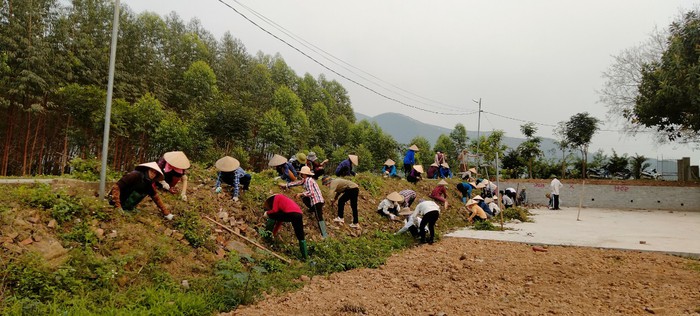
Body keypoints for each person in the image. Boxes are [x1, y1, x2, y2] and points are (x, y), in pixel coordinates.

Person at [109, 162, 174, 220]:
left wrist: (166, 212)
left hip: (127, 206)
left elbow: (156, 198)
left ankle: (128, 207)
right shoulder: (134, 175)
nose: (153, 174)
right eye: (151, 171)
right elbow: (116, 187)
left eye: (155, 173)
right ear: (146, 170)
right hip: (114, 201)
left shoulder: (148, 184)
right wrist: (117, 205)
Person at [281, 166, 327, 238]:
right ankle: (311, 210)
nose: (301, 175)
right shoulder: (305, 180)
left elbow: (311, 192)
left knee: (319, 217)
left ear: (304, 174)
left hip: (316, 201)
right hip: (317, 201)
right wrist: (286, 185)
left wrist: (301, 194)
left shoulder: (309, 181)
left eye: (302, 174)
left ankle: (324, 235)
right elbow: (297, 183)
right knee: (305, 199)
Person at [262, 194, 308, 260]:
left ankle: (266, 236)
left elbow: (274, 210)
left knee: (272, 215)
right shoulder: (284, 202)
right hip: (299, 214)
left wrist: (267, 213)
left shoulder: (277, 197)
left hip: (291, 213)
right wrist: (274, 233)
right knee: (300, 236)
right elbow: (279, 220)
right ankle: (305, 257)